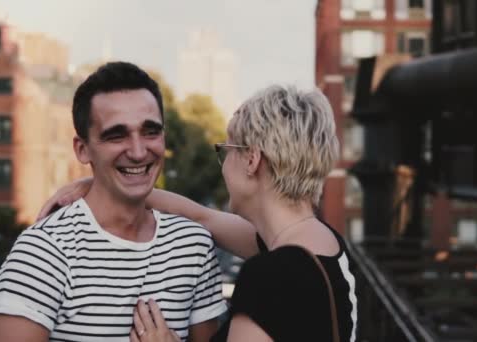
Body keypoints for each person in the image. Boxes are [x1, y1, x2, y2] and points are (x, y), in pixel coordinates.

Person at [40, 85, 358, 341]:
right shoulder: (322, 245)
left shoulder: (270, 277)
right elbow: (203, 217)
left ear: (251, 160)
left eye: (227, 150)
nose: (223, 165)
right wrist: (102, 183)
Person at [0, 62, 227, 342]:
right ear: (82, 149)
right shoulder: (44, 253)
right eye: (117, 135)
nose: (138, 152)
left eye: (150, 131)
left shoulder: (193, 246)